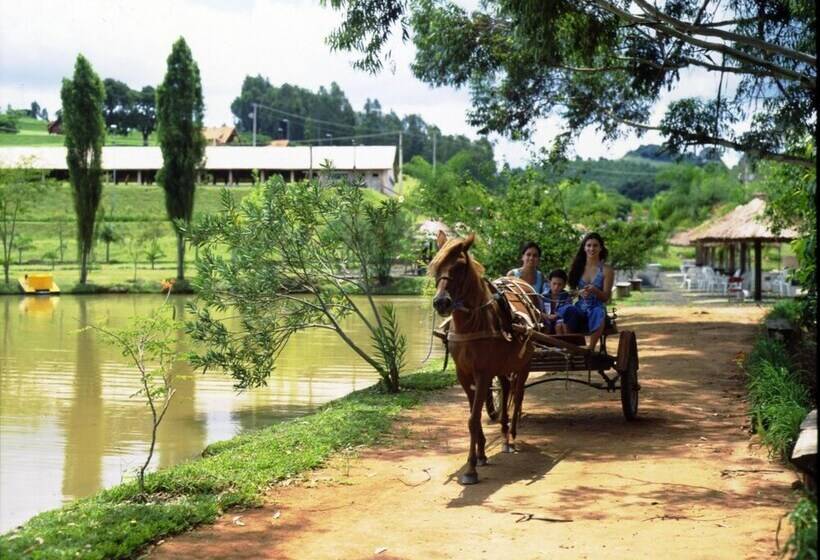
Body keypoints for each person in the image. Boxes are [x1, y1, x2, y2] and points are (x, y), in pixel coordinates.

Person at [562, 232, 614, 352]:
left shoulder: (607, 270)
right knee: (567, 310)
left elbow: (606, 297)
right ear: (584, 248)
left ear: (601, 248)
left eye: (595, 245)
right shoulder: (577, 267)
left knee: (598, 312)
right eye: (589, 245)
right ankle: (573, 347)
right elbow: (571, 292)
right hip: (580, 306)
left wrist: (595, 290)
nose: (592, 249)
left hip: (597, 306)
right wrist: (579, 292)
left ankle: (590, 349)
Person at [541, 269, 573, 334]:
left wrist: (556, 316)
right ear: (549, 283)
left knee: (559, 326)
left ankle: (563, 340)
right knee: (545, 326)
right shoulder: (543, 296)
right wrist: (547, 316)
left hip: (560, 320)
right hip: (546, 319)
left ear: (564, 285)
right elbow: (539, 311)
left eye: (559, 284)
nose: (556, 287)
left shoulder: (567, 297)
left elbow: (567, 310)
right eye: (554, 284)